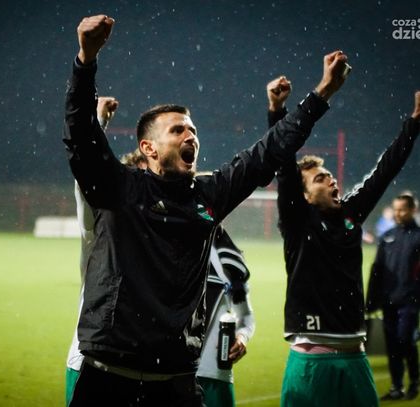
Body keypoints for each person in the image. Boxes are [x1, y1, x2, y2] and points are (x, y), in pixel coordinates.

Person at [64, 14, 347, 406]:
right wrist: (86, 60)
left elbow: (268, 153)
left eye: (193, 130)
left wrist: (322, 94)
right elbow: (81, 136)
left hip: (176, 382)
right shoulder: (119, 187)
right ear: (148, 148)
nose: (190, 135)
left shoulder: (207, 195)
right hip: (108, 378)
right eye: (177, 130)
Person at [267, 74, 420, 405]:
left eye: (330, 175)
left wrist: (414, 122)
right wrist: (277, 111)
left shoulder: (350, 214)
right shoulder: (297, 221)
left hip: (355, 357)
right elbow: (283, 162)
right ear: (304, 195)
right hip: (312, 361)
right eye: (321, 179)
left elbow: (386, 169)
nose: (332, 180)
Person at [65, 95, 119, 406]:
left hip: (141, 372)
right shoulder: (97, 234)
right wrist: (99, 122)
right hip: (88, 365)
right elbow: (85, 182)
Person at [366, 194, 420, 401]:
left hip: (409, 301)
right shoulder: (387, 236)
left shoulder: (418, 237)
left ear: (413, 210)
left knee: (405, 340)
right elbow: (377, 270)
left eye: (402, 209)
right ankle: (396, 387)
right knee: (392, 347)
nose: (398, 213)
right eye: (396, 209)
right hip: (388, 301)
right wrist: (371, 301)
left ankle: (414, 382)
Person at [196, 226, 254, 407]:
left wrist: (242, 338)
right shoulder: (163, 246)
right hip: (170, 375)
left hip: (214, 375)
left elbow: (245, 316)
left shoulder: (229, 259)